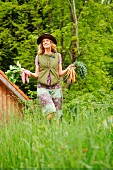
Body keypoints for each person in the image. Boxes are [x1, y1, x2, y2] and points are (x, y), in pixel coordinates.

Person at [28, 33, 74, 121]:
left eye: (47, 41)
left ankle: (55, 130)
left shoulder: (57, 56)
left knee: (57, 113)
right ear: (41, 45)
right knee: (50, 109)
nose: (45, 42)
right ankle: (45, 125)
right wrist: (28, 73)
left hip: (56, 86)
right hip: (42, 87)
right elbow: (36, 75)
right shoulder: (38, 57)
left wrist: (68, 68)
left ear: (51, 43)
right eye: (43, 41)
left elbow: (60, 73)